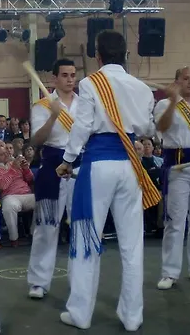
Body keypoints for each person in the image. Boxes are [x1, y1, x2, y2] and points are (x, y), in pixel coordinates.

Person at [56, 30, 161, 331]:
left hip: (99, 165)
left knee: (87, 238)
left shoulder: (91, 83)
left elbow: (82, 127)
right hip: (130, 165)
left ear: (97, 56)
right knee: (132, 244)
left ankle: (80, 313)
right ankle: (132, 316)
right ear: (126, 55)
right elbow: (146, 128)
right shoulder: (142, 87)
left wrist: (67, 160)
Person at [27, 58, 80, 299]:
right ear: (54, 78)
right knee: (47, 227)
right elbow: (36, 141)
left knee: (81, 225)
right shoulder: (43, 106)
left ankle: (80, 280)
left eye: (73, 75)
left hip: (79, 165)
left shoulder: (85, 104)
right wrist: (53, 117)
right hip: (52, 166)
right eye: (65, 75)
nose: (70, 79)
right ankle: (39, 282)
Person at [154, 67, 190, 290]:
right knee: (176, 221)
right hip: (178, 166)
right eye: (186, 78)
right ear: (176, 81)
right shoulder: (164, 104)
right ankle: (170, 272)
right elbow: (162, 128)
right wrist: (173, 102)